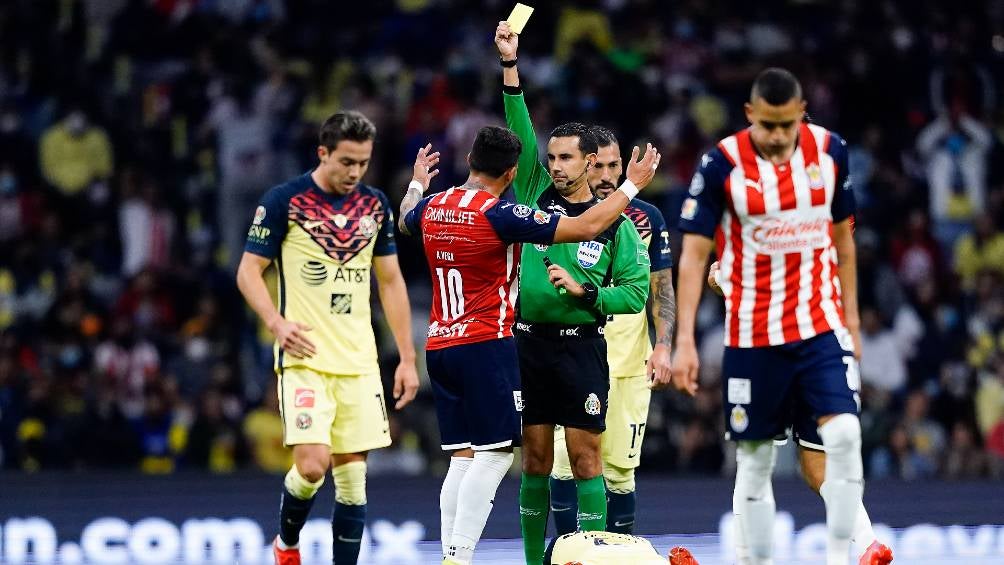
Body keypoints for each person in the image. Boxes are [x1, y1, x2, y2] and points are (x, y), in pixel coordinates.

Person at [398, 126, 660, 564]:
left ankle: (452, 553)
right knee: (499, 457)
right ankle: (459, 556)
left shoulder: (434, 205)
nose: (555, 167)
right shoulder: (502, 213)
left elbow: (405, 217)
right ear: (513, 171)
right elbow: (584, 226)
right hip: (491, 344)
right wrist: (632, 185)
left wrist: (417, 182)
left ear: (469, 162)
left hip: (440, 344)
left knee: (464, 459)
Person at [671, 67, 874, 565]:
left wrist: (852, 319)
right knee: (758, 462)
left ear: (801, 113)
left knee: (840, 437)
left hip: (817, 327)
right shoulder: (721, 164)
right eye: (768, 126)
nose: (779, 137)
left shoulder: (830, 152)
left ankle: (862, 549)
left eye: (788, 126)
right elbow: (694, 256)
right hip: (752, 336)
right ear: (749, 116)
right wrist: (685, 341)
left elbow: (844, 242)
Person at [495, 21, 651, 565]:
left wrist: (589, 294)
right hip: (529, 344)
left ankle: (592, 559)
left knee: (588, 461)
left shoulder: (617, 223)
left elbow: (633, 294)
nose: (555, 166)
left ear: (590, 162)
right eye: (552, 157)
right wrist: (511, 66)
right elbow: (519, 125)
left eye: (566, 158)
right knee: (536, 460)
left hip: (582, 345)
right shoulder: (535, 192)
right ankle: (535, 561)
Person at [235, 110, 420, 565]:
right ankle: (286, 541)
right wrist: (277, 325)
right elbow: (247, 273)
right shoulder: (284, 201)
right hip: (305, 357)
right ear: (323, 153)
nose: (355, 172)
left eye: (363, 163)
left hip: (359, 360)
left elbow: (391, 282)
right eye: (346, 162)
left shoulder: (375, 205)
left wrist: (408, 359)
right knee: (313, 466)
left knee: (354, 483)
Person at [707, 261, 893, 564]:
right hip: (825, 345)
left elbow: (753, 277)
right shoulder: (828, 228)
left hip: (770, 344)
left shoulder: (766, 223)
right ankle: (868, 541)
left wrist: (724, 281)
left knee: (753, 458)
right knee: (816, 463)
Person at [549, 125, 676, 536]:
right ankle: (567, 555)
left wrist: (664, 347)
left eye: (614, 165)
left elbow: (662, 290)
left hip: (627, 366)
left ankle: (616, 554)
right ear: (584, 164)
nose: (606, 175)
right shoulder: (560, 214)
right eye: (598, 165)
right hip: (568, 357)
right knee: (564, 468)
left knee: (620, 473)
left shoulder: (647, 218)